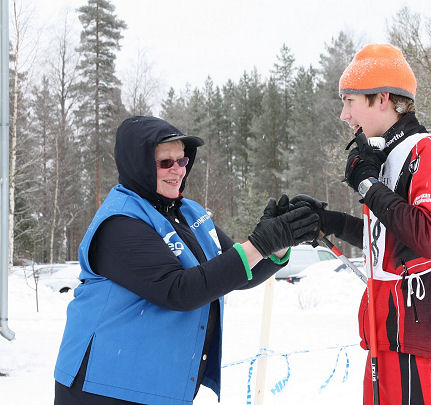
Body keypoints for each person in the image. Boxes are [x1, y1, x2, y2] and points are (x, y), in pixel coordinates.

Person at [53, 116, 319, 405]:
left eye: (182, 160)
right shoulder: (120, 222)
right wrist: (260, 243)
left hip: (155, 384)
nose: (177, 170)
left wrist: (277, 245)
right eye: (165, 162)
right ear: (137, 164)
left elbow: (235, 271)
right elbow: (179, 290)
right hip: (103, 387)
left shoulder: (189, 212)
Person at [293, 44, 431, 404]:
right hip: (383, 334)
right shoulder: (386, 157)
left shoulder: (425, 149)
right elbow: (388, 242)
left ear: (382, 98)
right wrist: (329, 222)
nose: (343, 114)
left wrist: (368, 187)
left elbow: (428, 238)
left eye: (350, 100)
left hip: (419, 341)